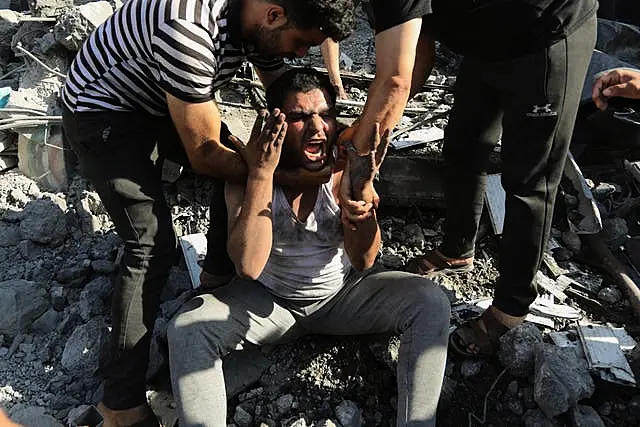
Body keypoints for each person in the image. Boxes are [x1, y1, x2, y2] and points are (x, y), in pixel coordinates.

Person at [61, 0, 354, 424]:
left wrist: (340, 136)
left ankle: (217, 279)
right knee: (149, 245)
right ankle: (120, 404)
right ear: (274, 16)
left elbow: (283, 92)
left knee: (238, 158)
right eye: (302, 43)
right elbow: (204, 155)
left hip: (163, 96)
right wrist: (290, 176)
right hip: (104, 111)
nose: (302, 55)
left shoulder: (261, 21)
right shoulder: (188, 31)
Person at [167, 69, 450, 427]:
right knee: (188, 328)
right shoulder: (249, 176)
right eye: (300, 118)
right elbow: (249, 266)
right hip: (270, 305)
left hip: (340, 298)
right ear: (277, 125)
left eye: (325, 115)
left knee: (430, 302)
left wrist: (360, 200)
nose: (318, 129)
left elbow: (364, 260)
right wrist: (260, 175)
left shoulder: (343, 171)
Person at [337, 0, 598, 357]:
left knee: (529, 181)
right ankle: (459, 248)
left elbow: (394, 82)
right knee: (463, 147)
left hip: (546, 33)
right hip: (486, 41)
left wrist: (362, 149)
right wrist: (374, 125)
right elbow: (416, 55)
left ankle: (511, 309)